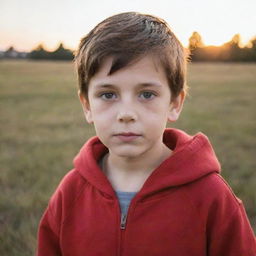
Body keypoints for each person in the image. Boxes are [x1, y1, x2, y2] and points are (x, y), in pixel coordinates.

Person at [37, 12, 256, 255]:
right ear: (87, 106)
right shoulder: (71, 193)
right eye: (108, 94)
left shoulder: (211, 196)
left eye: (147, 94)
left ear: (175, 103)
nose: (127, 113)